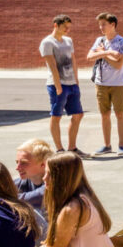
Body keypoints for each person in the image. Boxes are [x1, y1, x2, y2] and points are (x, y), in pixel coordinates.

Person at [32, 152, 115, 247]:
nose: (44, 178)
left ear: (62, 177)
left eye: (49, 174)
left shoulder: (72, 208)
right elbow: (51, 246)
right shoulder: (86, 197)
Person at [85, 12, 123, 155]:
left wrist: (103, 53)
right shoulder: (100, 41)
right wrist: (107, 53)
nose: (101, 27)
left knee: (119, 114)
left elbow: (118, 65)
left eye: (104, 24)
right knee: (105, 115)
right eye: (100, 24)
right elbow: (89, 57)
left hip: (117, 83)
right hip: (101, 83)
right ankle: (107, 145)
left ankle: (122, 146)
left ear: (113, 24)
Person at [40, 14, 84, 153]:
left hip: (72, 84)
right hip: (57, 84)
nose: (67, 29)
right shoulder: (47, 42)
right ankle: (59, 149)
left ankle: (72, 148)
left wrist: (76, 81)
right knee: (56, 115)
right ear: (56, 25)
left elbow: (73, 61)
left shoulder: (68, 41)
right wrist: (58, 86)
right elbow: (52, 65)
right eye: (65, 27)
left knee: (78, 114)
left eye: (69, 27)